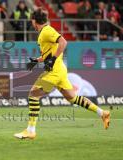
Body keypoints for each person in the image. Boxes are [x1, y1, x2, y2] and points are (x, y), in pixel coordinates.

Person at [14, 9, 110, 139]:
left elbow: (63, 42)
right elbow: (48, 53)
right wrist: (37, 60)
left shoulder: (47, 31)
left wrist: (52, 60)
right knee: (72, 97)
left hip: (55, 70)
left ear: (34, 21)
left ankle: (31, 130)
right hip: (60, 69)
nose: (32, 24)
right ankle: (102, 113)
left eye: (32, 21)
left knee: (33, 94)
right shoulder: (44, 32)